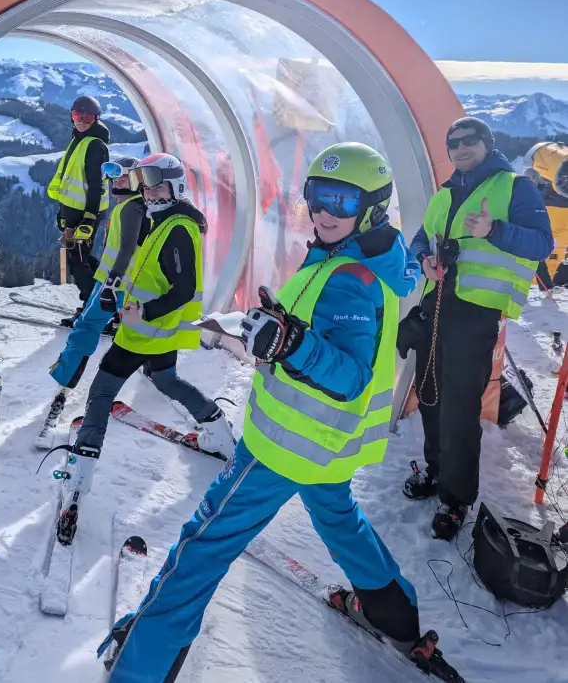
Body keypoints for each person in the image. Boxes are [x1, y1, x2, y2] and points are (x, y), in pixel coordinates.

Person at [99, 144, 461, 683]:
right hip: (323, 447)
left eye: (341, 200)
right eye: (317, 197)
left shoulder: (350, 280)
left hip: (282, 445)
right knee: (341, 523)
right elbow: (401, 280)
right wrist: (275, 331)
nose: (324, 212)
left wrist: (291, 344)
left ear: (372, 208)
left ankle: (140, 667)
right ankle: (396, 618)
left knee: (205, 543)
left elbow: (350, 374)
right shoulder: (376, 258)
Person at [60, 152, 236, 526]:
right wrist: (117, 291)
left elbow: (182, 287)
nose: (151, 193)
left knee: (103, 391)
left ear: (174, 186)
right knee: (165, 379)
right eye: (146, 186)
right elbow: (150, 272)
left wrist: (144, 313)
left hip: (146, 330)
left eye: (157, 185)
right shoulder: (166, 219)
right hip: (156, 330)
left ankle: (80, 472)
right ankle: (218, 430)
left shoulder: (176, 228)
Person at [402, 118, 553, 540]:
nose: (460, 148)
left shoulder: (513, 187)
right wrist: (423, 260)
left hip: (476, 314)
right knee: (430, 396)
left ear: (487, 144)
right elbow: (419, 238)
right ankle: (436, 471)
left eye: (470, 141)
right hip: (436, 306)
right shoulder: (446, 193)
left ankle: (455, 499)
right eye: (453, 143)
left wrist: (494, 231)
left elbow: (543, 244)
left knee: (460, 409)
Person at [48, 157, 148, 390]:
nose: (120, 182)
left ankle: (65, 376)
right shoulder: (134, 205)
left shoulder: (132, 208)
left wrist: (112, 282)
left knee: (87, 326)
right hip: (115, 280)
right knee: (99, 326)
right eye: (117, 177)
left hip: (116, 282)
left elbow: (127, 249)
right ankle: (155, 370)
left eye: (127, 177)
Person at [47, 95, 110, 325]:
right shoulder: (80, 139)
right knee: (81, 259)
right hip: (74, 212)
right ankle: (103, 302)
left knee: (79, 262)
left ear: (96, 119)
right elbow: (72, 181)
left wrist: (89, 219)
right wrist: (64, 214)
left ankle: (94, 312)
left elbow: (96, 185)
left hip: (85, 213)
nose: (81, 121)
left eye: (87, 117)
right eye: (77, 115)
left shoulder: (94, 145)